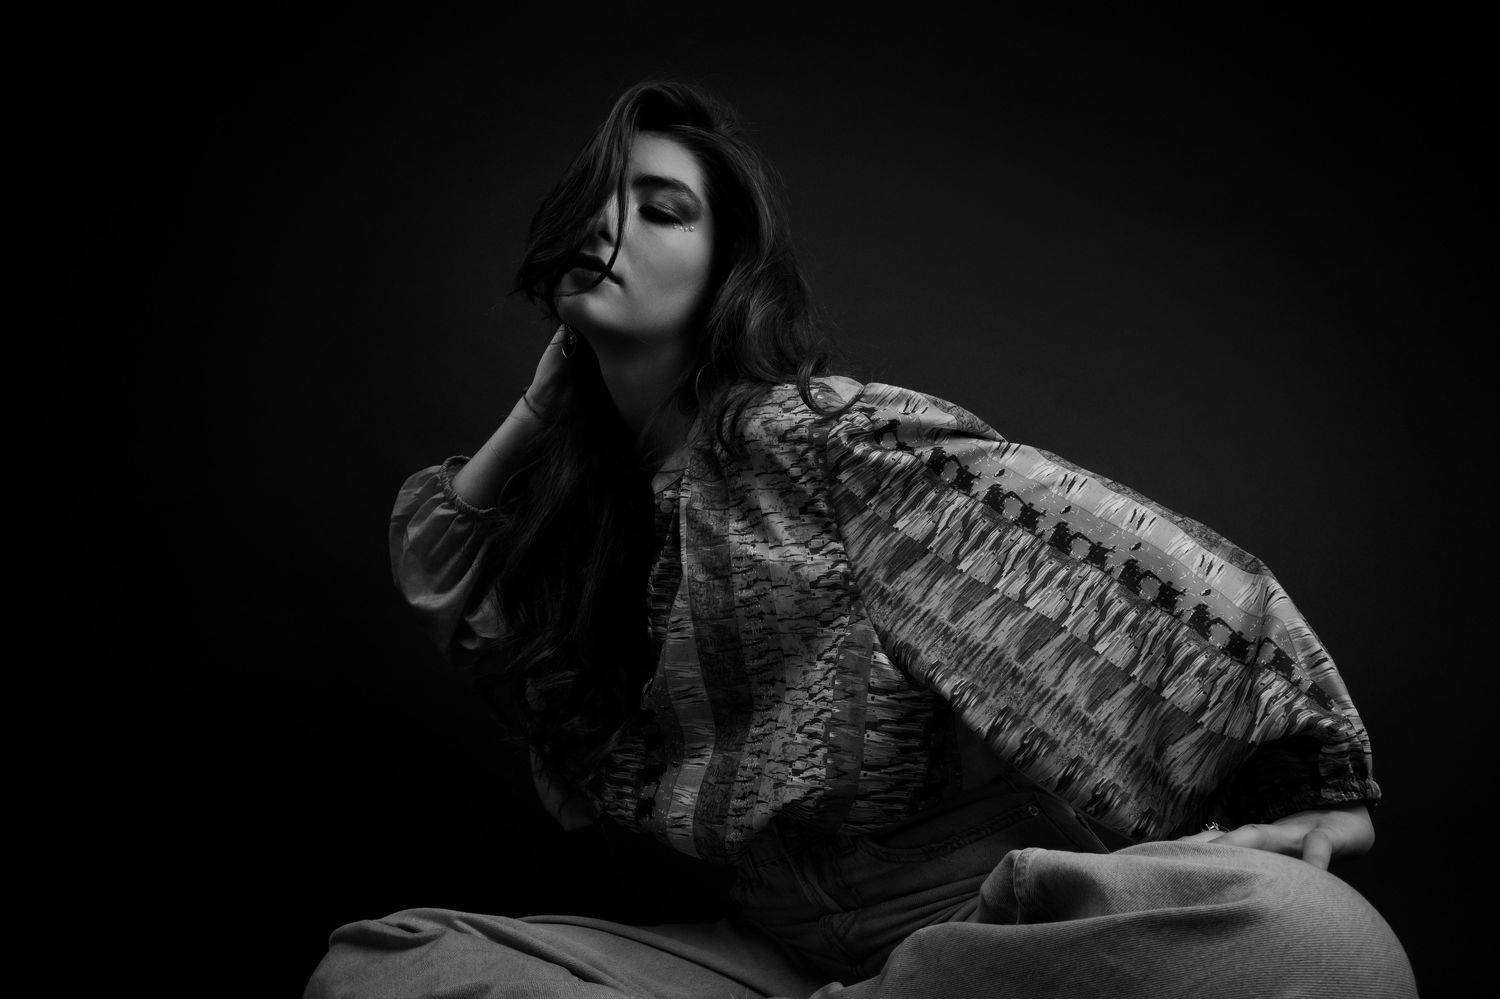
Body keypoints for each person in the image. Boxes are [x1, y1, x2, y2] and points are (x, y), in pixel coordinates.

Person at [306, 80, 1417, 998]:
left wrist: (1308, 771)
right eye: (595, 203)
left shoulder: (821, 438)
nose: (611, 226)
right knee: (382, 968)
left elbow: (1118, 565)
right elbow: (456, 593)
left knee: (1321, 945)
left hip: (976, 935)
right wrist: (542, 409)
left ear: (725, 270)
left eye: (662, 209)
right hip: (768, 961)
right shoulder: (588, 518)